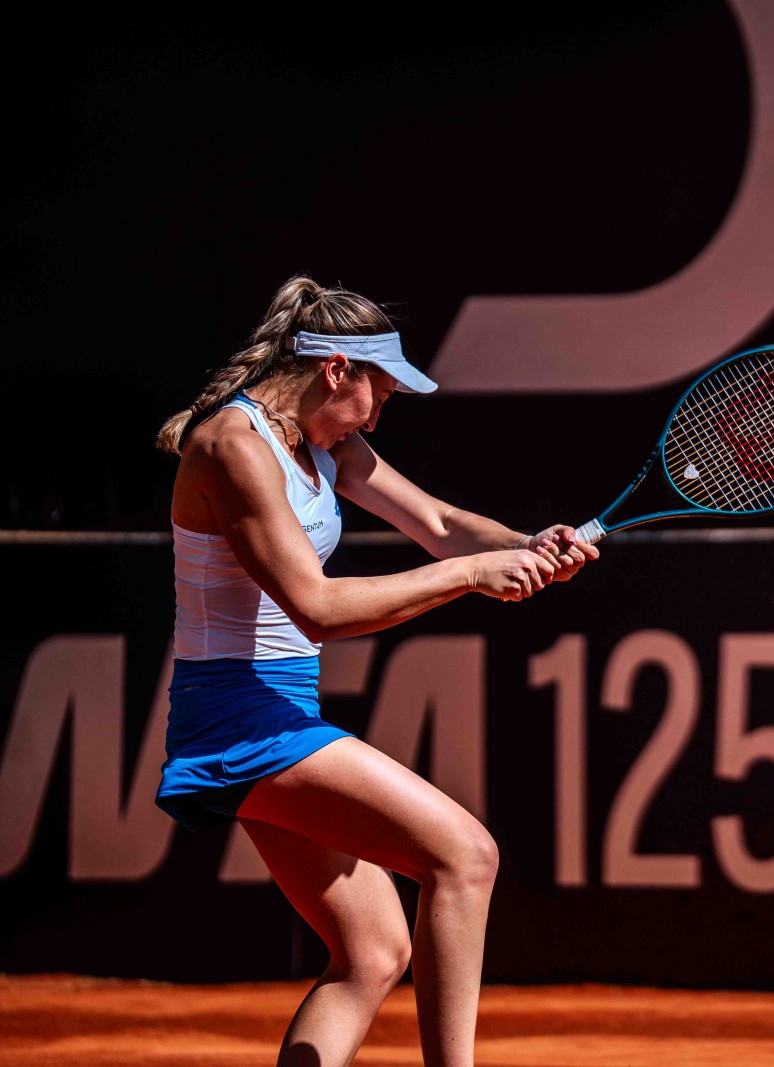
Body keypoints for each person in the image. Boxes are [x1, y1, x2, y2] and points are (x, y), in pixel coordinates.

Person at [152, 275, 599, 1067]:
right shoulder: (231, 447)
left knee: (372, 952)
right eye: (378, 396)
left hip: (280, 713)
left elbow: (438, 522)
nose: (376, 417)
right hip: (237, 718)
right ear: (335, 370)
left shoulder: (326, 445)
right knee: (466, 856)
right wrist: (472, 575)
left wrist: (527, 544)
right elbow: (318, 607)